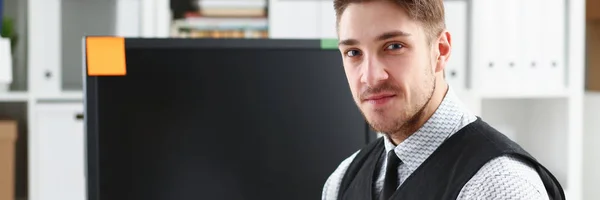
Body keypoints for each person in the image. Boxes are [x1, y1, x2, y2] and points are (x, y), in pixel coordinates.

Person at [321, 0, 565, 199]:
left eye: (394, 46)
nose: (371, 77)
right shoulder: (341, 181)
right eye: (353, 53)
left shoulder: (498, 186)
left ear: (441, 50)